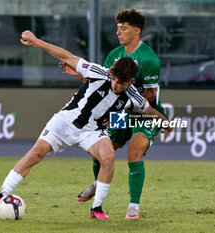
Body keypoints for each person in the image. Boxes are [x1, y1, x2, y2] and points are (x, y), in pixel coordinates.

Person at [0, 30, 172, 220]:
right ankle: (1, 194)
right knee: (36, 153)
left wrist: (166, 122)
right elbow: (67, 56)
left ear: (131, 81)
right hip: (65, 121)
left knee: (108, 157)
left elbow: (149, 110)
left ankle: (97, 208)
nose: (115, 85)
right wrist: (37, 42)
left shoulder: (133, 96)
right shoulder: (99, 72)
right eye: (114, 78)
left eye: (121, 83)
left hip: (91, 131)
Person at [60, 8, 166, 219]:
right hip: (121, 111)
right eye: (117, 28)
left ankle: (133, 207)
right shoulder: (113, 56)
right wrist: (80, 76)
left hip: (143, 113)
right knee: (102, 149)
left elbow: (150, 95)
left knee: (134, 152)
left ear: (136, 31)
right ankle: (97, 184)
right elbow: (106, 85)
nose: (118, 33)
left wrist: (123, 106)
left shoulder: (149, 58)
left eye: (123, 28)